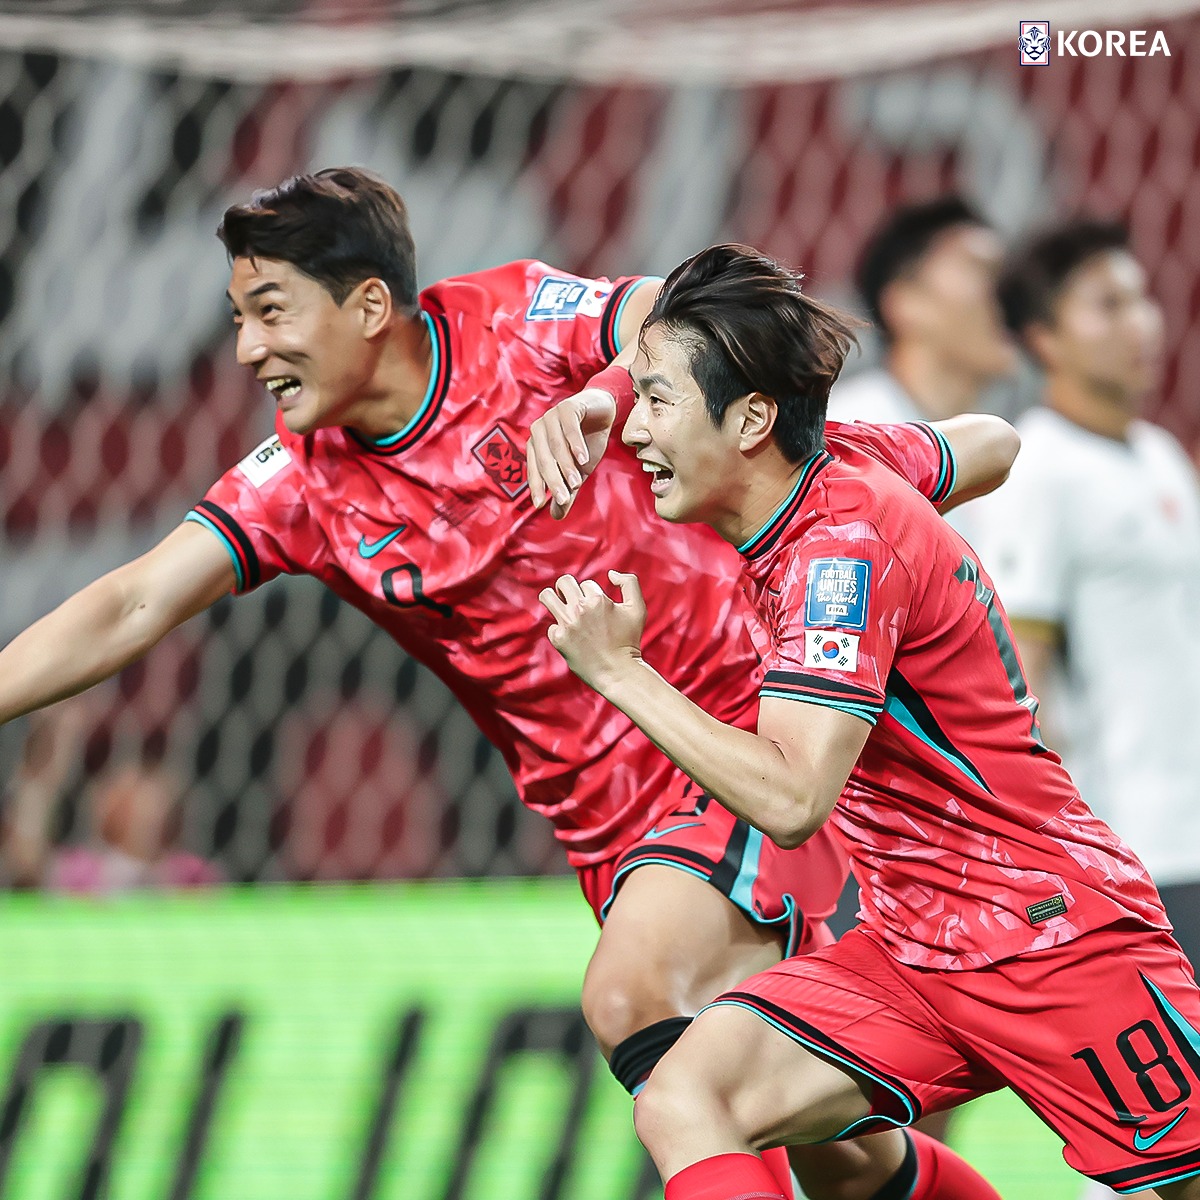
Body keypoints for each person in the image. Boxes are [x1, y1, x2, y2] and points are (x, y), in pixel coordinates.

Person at [0, 169, 1005, 1200]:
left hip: (731, 730)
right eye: (239, 319)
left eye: (271, 312)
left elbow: (674, 308)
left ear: (370, 305)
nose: (250, 349)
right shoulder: (300, 482)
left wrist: (606, 394)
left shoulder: (515, 321)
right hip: (608, 830)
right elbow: (132, 601)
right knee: (841, 1155)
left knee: (634, 999)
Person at [534, 242, 1200, 1199]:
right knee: (687, 1098)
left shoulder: (837, 557)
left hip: (1045, 935)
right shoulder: (842, 463)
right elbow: (995, 443)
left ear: (753, 418)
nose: (633, 431)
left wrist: (618, 670)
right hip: (911, 945)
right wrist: (903, 485)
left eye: (658, 400)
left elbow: (794, 795)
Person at [972, 220, 1200, 1200]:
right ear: (1044, 337)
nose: (1142, 323)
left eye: (1142, 297)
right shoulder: (1041, 475)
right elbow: (1019, 684)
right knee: (1158, 1146)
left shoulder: (1158, 455)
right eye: (1108, 304)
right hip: (1142, 850)